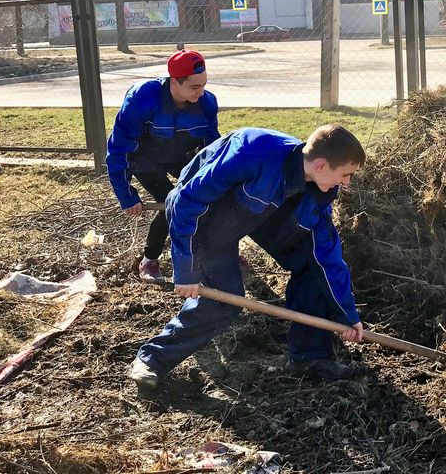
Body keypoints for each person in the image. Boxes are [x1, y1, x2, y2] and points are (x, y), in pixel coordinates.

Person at [128, 125, 367, 388]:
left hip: (262, 211)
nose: (347, 183)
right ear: (321, 165)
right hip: (209, 219)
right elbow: (185, 203)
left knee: (313, 268)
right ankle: (152, 358)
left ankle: (309, 356)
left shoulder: (319, 193)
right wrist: (186, 270)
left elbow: (327, 255)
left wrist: (347, 314)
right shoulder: (253, 152)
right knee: (225, 300)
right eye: (346, 175)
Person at [107, 50, 219, 283]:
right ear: (175, 82)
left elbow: (212, 147)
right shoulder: (142, 99)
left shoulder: (206, 103)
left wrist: (217, 180)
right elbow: (119, 149)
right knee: (170, 202)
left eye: (204, 85)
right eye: (194, 87)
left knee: (209, 200)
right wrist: (127, 196)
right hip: (147, 161)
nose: (201, 92)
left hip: (183, 157)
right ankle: (149, 260)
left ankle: (218, 256)